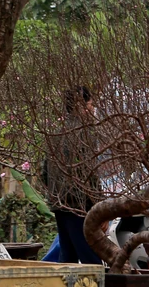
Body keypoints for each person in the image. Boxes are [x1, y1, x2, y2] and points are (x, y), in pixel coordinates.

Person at [42, 85, 102, 264]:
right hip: (79, 204)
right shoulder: (85, 133)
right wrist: (99, 205)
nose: (93, 108)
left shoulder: (55, 133)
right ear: (80, 105)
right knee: (90, 259)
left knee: (67, 258)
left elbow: (44, 170)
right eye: (91, 103)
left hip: (59, 203)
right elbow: (89, 173)